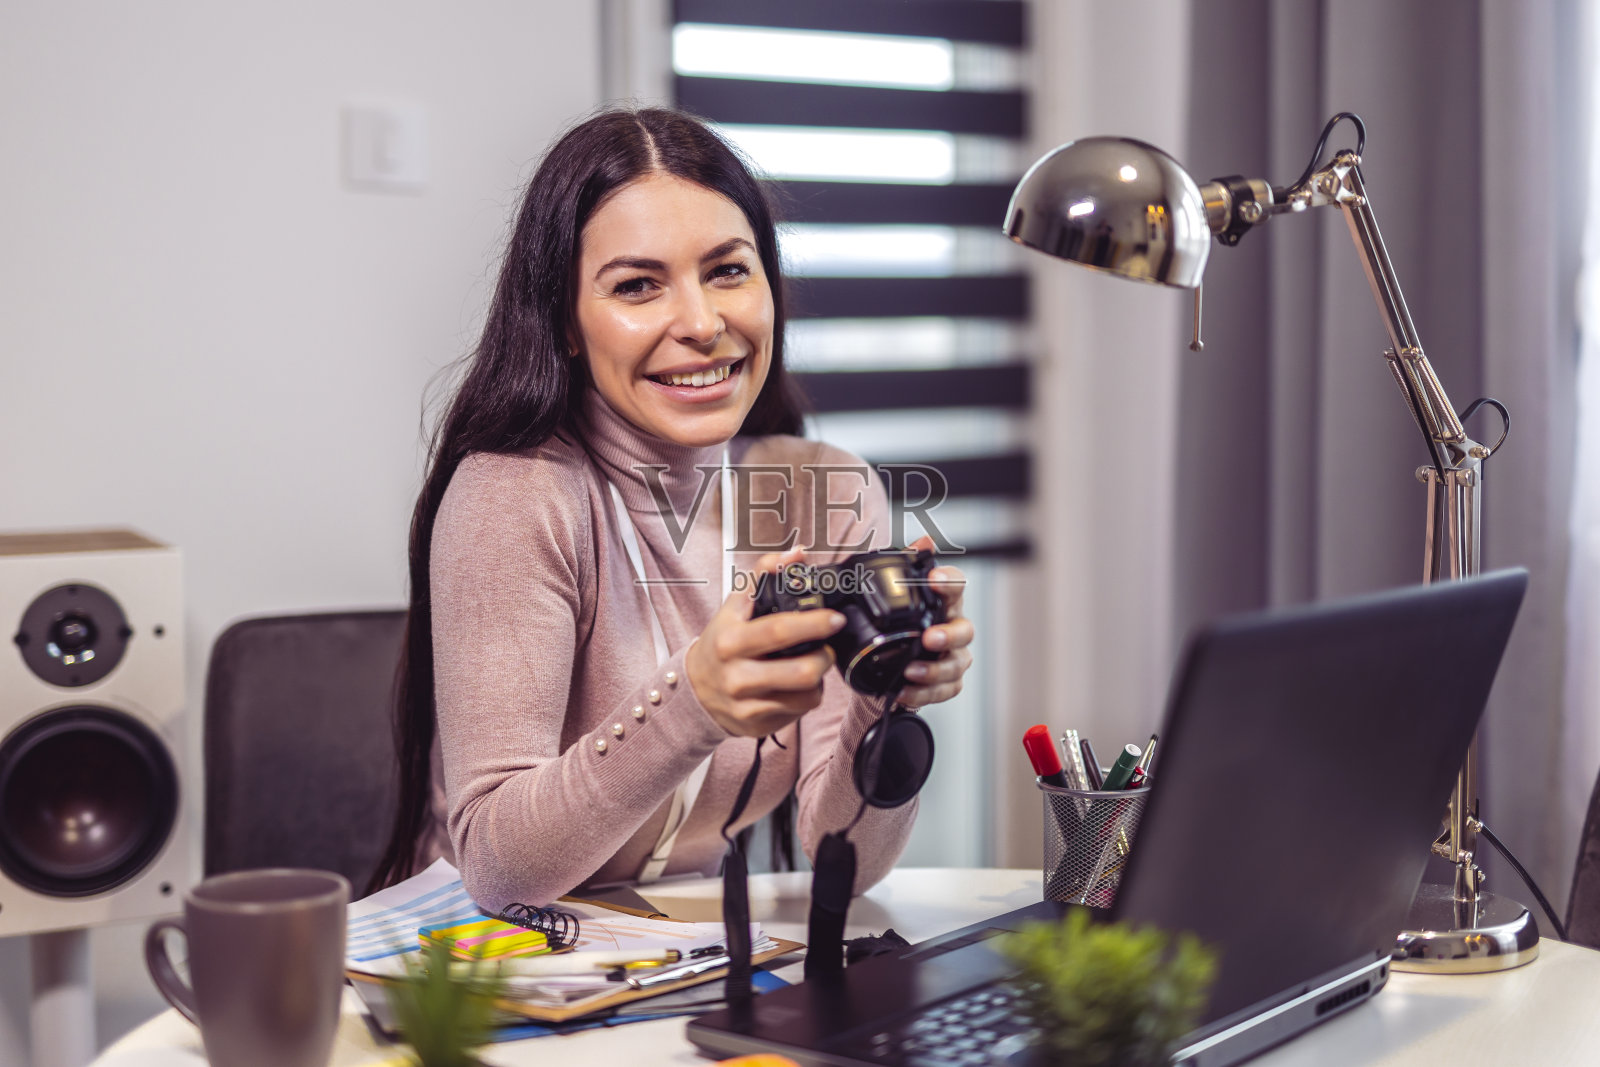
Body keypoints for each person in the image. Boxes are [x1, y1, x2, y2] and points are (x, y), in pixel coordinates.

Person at [370, 107, 975, 911]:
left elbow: (843, 861)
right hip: (492, 960)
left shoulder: (824, 492)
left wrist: (881, 700)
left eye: (728, 270)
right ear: (567, 325)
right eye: (637, 286)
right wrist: (693, 703)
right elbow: (497, 866)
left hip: (688, 955)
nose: (700, 323)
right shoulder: (516, 493)